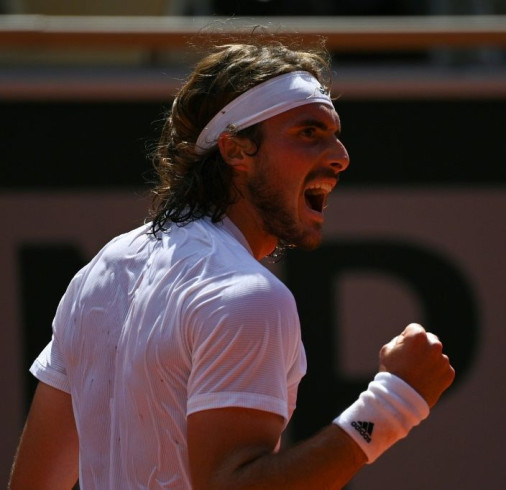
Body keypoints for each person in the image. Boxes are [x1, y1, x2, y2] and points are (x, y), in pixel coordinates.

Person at [9, 40, 455, 489]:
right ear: (236, 150)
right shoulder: (245, 295)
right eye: (308, 132)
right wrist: (393, 404)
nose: (341, 156)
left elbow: (34, 483)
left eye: (335, 134)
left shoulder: (98, 276)